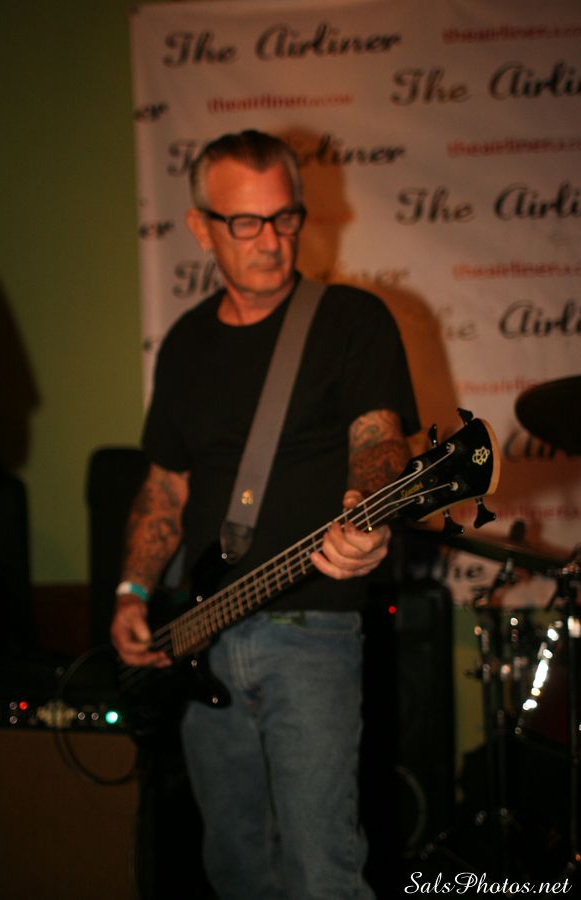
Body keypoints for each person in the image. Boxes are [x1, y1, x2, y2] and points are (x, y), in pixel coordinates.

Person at [111, 129, 419, 899]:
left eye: (285, 218)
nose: (272, 241)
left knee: (321, 871)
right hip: (200, 635)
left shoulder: (351, 320)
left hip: (312, 632)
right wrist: (132, 593)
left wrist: (366, 513)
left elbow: (379, 443)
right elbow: (165, 490)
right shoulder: (184, 345)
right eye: (246, 222)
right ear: (200, 226)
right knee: (236, 868)